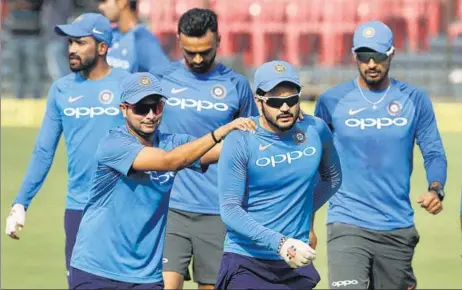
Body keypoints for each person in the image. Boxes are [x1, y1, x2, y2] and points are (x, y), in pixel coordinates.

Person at [68, 72, 256, 289]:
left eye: (156, 107)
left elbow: (224, 152)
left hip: (146, 276)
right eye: (141, 108)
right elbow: (170, 161)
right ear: (123, 109)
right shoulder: (113, 144)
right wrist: (223, 130)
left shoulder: (172, 142)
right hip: (98, 269)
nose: (150, 115)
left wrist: (273, 130)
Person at [314, 20, 447, 289]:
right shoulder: (331, 101)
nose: (371, 64)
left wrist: (436, 189)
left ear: (391, 54)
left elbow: (433, 152)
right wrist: (305, 220)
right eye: (364, 56)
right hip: (346, 223)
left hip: (396, 226)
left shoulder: (415, 99)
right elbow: (313, 163)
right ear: (354, 56)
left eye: (378, 56)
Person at [5, 12, 130, 286]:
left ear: (102, 47)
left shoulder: (128, 85)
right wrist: (20, 203)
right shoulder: (61, 90)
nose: (71, 49)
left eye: (79, 42)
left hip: (125, 207)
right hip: (79, 209)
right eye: (70, 42)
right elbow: (43, 151)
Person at [152, 8, 258, 290]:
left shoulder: (236, 86)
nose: (198, 59)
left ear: (219, 41)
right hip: (168, 206)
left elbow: (251, 144)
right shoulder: (160, 82)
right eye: (190, 52)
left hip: (218, 210)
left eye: (205, 52)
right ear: (179, 41)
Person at [215, 60, 342, 289]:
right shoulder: (240, 139)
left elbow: (332, 178)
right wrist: (281, 243)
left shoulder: (316, 130)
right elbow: (229, 209)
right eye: (275, 101)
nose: (284, 108)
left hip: (295, 264)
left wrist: (302, 209)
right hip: (247, 259)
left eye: (291, 100)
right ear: (258, 101)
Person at [97, 0, 170, 73]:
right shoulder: (110, 35)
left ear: (122, 2)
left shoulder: (142, 39)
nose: (101, 7)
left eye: (105, 1)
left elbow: (166, 77)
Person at [3, 0, 44, 98]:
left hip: (32, 35)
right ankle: (18, 96)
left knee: (33, 68)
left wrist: (21, 5)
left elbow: (35, 5)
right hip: (14, 35)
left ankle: (36, 96)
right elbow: (9, 5)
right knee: (17, 68)